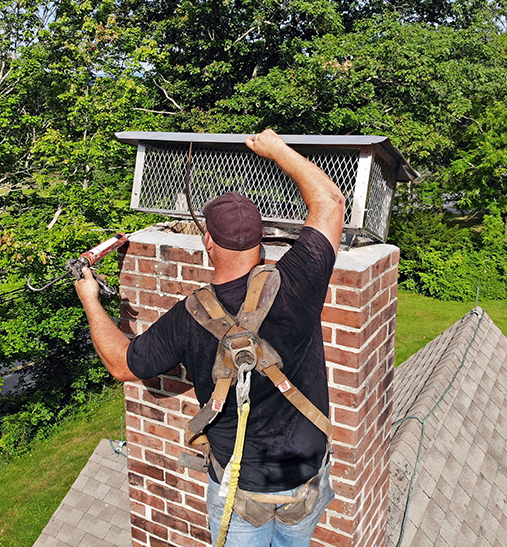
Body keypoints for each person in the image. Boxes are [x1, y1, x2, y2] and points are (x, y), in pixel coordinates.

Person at [75, 129, 345, 547]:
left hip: (238, 493)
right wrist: (276, 150)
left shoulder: (188, 317)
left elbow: (121, 364)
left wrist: (91, 300)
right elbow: (329, 201)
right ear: (261, 240)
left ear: (207, 242)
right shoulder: (298, 279)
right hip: (305, 480)